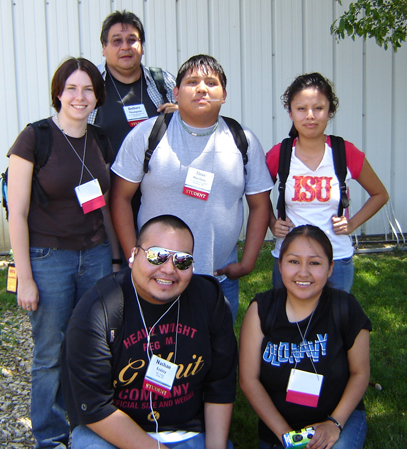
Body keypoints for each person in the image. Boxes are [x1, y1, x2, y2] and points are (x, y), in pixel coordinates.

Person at [7, 57, 119, 448]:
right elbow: (16, 213)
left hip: (96, 256)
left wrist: (116, 258)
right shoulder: (34, 138)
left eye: (88, 89)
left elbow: (104, 204)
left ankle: (88, 426)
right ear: (58, 92)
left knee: (93, 345)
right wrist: (25, 277)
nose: (79, 96)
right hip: (48, 259)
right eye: (71, 88)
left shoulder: (100, 139)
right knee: (50, 352)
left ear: (97, 96)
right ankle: (51, 436)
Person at [110, 54, 273, 321]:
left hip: (218, 279)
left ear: (224, 94)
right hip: (155, 277)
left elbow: (259, 204)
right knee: (153, 353)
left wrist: (248, 262)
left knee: (217, 356)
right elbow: (120, 198)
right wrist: (135, 260)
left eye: (211, 82)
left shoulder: (243, 140)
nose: (201, 88)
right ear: (175, 91)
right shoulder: (146, 135)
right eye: (192, 81)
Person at [63, 214, 238, 449]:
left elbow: (220, 385)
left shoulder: (209, 300)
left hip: (186, 433)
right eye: (157, 256)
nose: (169, 269)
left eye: (182, 261)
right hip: (113, 434)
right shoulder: (98, 309)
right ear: (134, 256)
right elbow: (95, 406)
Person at [239, 225, 371, 449]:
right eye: (293, 261)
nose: (303, 272)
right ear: (280, 265)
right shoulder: (262, 310)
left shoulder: (345, 308)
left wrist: (334, 424)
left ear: (330, 268)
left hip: (337, 418)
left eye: (315, 263)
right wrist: (288, 437)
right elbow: (248, 381)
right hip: (279, 426)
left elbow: (360, 373)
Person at [266, 72, 388, 292]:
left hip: (336, 259)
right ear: (290, 112)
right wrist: (272, 222)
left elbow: (380, 194)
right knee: (287, 324)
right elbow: (257, 195)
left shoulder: (345, 152)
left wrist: (352, 224)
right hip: (289, 259)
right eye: (301, 108)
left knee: (335, 324)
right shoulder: (280, 154)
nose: (310, 116)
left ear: (330, 111)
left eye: (318, 108)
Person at [88, 9, 177, 154]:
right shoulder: (90, 83)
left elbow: (192, 129)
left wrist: (183, 117)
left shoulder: (164, 82)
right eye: (117, 41)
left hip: (157, 175)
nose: (125, 47)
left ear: (142, 48)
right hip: (106, 175)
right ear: (104, 48)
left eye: (132, 40)